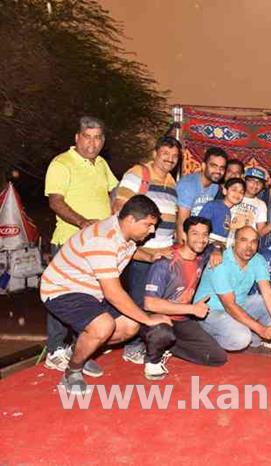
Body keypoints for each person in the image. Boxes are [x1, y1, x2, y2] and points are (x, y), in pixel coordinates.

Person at [40, 195, 171, 394]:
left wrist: (151, 256)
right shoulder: (103, 239)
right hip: (62, 289)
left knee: (130, 325)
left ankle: (78, 350)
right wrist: (148, 319)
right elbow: (113, 293)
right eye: (148, 225)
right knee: (103, 326)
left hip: (90, 291)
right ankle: (72, 371)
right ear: (131, 220)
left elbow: (127, 251)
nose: (152, 231)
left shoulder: (122, 230)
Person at [44, 116, 118, 377]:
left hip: (97, 247)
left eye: (97, 138)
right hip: (69, 243)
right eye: (87, 137)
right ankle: (55, 350)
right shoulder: (61, 163)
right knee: (62, 296)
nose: (92, 143)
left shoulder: (101, 164)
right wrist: (83, 222)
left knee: (89, 298)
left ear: (103, 141)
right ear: (77, 137)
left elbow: (115, 191)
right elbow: (55, 201)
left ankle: (80, 350)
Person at [112, 135, 181, 365]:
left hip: (164, 252)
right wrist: (141, 250)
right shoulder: (138, 174)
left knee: (156, 300)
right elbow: (120, 211)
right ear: (155, 153)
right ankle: (132, 346)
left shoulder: (171, 181)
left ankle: (149, 344)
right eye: (165, 154)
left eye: (174, 156)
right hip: (142, 252)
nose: (170, 159)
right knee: (137, 300)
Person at [141, 216, 227, 380]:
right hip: (158, 319)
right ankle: (152, 360)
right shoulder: (165, 262)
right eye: (195, 233)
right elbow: (150, 303)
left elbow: (218, 244)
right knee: (162, 332)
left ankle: (168, 346)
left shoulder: (202, 255)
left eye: (205, 234)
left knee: (217, 357)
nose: (201, 239)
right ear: (184, 235)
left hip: (182, 320)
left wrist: (217, 249)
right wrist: (192, 309)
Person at [194, 226, 271, 351]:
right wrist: (261, 329)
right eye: (244, 240)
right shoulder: (220, 262)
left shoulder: (258, 260)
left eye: (253, 242)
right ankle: (205, 338)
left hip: (239, 305)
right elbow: (229, 306)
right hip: (210, 312)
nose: (249, 247)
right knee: (241, 338)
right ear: (234, 242)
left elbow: (268, 293)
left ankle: (256, 337)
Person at [175, 147, 227, 242]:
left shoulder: (215, 186)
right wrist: (182, 247)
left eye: (222, 168)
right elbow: (181, 222)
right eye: (214, 166)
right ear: (203, 166)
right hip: (182, 237)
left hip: (198, 236)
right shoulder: (188, 185)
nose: (218, 171)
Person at [198, 178, 246, 246]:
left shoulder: (228, 211)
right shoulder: (213, 205)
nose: (237, 194)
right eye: (234, 190)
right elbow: (200, 227)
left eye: (241, 192)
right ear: (224, 191)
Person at [232, 167, 269, 233]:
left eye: (259, 182)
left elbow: (261, 231)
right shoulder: (233, 196)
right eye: (252, 181)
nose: (255, 185)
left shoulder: (261, 205)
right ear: (244, 181)